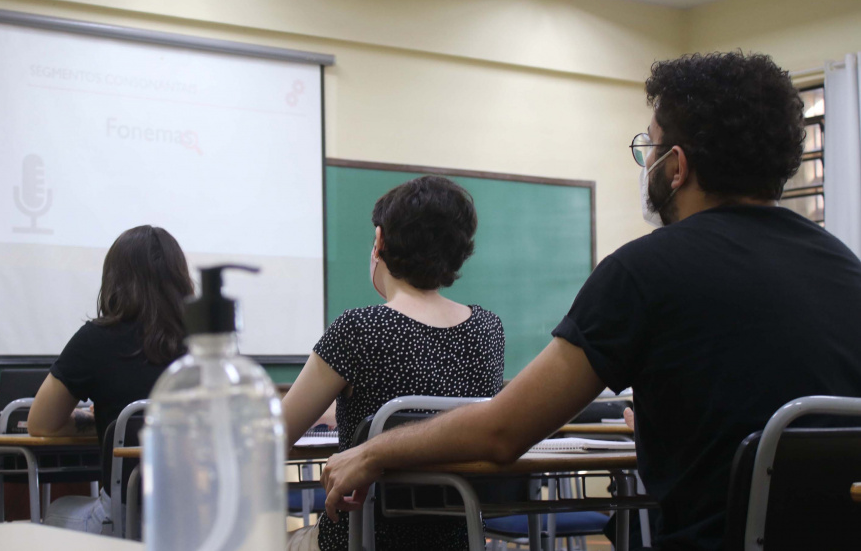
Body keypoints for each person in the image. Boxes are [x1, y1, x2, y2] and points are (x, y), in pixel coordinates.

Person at [318, 51, 861, 551]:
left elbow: (504, 432)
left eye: (647, 146)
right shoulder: (847, 270)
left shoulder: (646, 270)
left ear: (677, 165)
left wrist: (371, 449)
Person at [282, 175, 505, 551]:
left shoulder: (358, 328)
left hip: (361, 539)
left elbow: (275, 436)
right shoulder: (488, 329)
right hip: (458, 541)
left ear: (380, 241)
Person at [28, 225, 193, 533]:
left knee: (56, 511)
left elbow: (40, 423)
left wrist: (90, 420)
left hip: (127, 515)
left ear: (115, 280)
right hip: (202, 514)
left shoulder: (96, 339)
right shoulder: (209, 345)